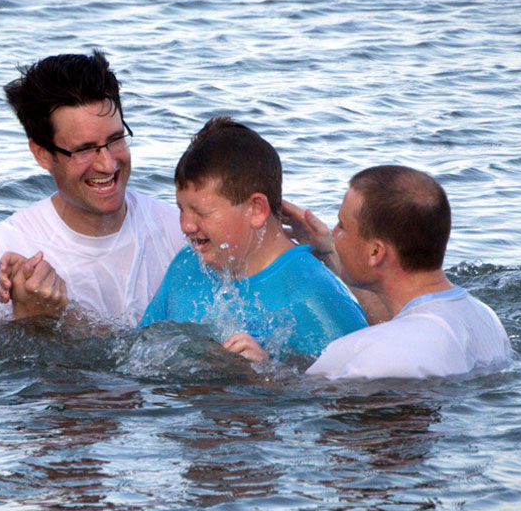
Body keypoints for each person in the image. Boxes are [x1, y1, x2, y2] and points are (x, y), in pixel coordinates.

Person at [0, 50, 185, 327]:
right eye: (85, 149)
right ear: (42, 153)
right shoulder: (3, 250)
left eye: (115, 140)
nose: (107, 164)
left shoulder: (179, 232)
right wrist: (30, 320)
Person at [229, 165, 514, 379]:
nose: (333, 233)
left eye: (342, 226)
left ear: (376, 252)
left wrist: (264, 370)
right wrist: (329, 255)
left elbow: (302, 403)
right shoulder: (486, 319)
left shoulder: (371, 353)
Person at [139, 116, 368, 359]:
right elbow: (138, 354)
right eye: (182, 209)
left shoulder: (315, 293)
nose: (186, 225)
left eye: (201, 212)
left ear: (256, 209)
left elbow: (359, 391)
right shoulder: (184, 266)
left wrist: (268, 379)